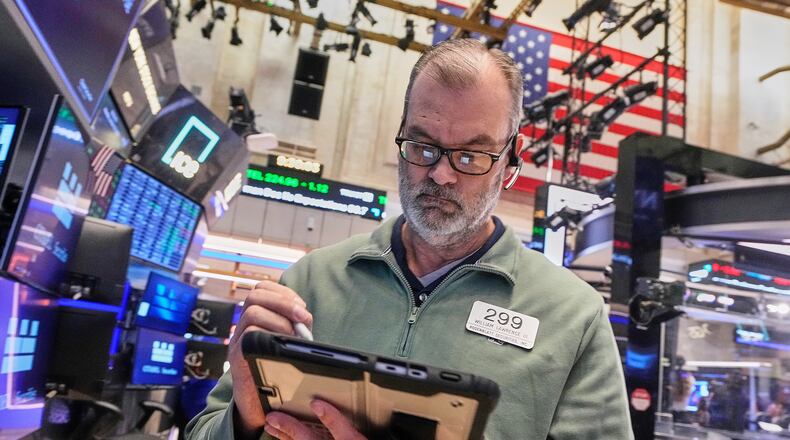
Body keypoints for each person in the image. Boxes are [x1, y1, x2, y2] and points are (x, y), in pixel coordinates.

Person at [186, 38, 631, 440]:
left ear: (511, 159)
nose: (441, 174)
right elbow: (203, 432)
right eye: (422, 147)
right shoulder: (310, 281)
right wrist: (244, 420)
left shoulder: (573, 317)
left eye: (471, 155)